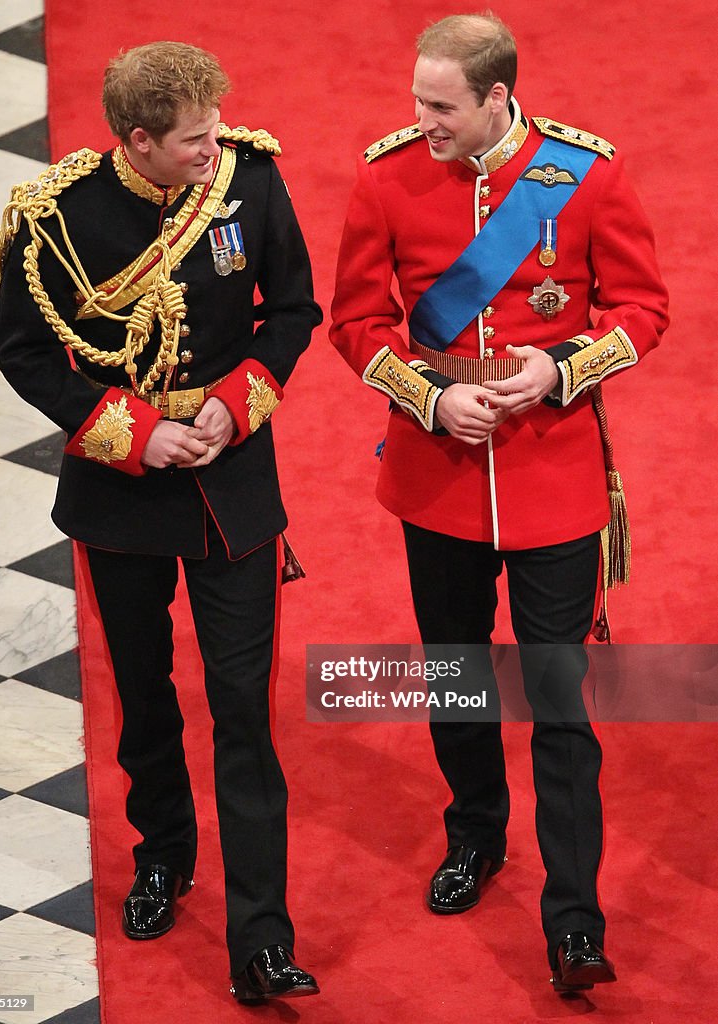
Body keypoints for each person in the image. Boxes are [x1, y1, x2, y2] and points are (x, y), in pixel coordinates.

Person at [330, 12, 667, 993]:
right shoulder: (386, 174)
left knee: (558, 704)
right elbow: (355, 320)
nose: (422, 120)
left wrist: (559, 370)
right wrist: (431, 395)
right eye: (416, 103)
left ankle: (573, 920)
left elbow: (643, 310)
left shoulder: (585, 175)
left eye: (440, 107)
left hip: (553, 478)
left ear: (496, 97)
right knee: (458, 677)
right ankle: (474, 832)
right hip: (436, 477)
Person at [0, 41, 321, 1003]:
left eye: (216, 129)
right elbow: (27, 355)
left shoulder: (249, 179)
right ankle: (161, 858)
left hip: (233, 487)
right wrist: (133, 435)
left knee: (242, 711)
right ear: (136, 141)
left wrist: (240, 398)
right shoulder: (54, 220)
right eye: (192, 139)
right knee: (143, 693)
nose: (213, 149)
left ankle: (262, 939)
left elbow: (292, 310)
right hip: (123, 492)